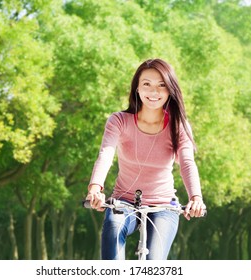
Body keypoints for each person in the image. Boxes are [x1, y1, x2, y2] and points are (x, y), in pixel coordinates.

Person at [85, 58, 206, 260]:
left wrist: (196, 197)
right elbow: (106, 153)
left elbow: (187, 163)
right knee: (114, 230)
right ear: (137, 89)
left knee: (153, 263)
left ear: (170, 90)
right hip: (123, 202)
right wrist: (95, 188)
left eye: (161, 86)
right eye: (146, 85)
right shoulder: (119, 121)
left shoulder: (179, 125)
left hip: (163, 205)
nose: (154, 92)